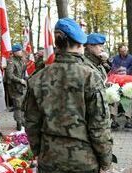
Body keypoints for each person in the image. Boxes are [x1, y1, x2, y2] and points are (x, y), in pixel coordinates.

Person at [24, 18, 113, 173]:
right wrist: (106, 160)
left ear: (58, 44)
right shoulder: (90, 76)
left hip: (49, 158)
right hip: (83, 161)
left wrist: (37, 151)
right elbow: (99, 126)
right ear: (80, 44)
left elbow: (31, 123)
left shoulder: (38, 77)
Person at [6, 44, 27, 131]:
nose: (21, 52)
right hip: (15, 88)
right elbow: (9, 75)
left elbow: (23, 72)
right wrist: (20, 80)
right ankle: (19, 125)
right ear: (15, 52)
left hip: (22, 87)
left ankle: (22, 122)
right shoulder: (11, 61)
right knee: (18, 106)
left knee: (23, 106)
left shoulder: (20, 60)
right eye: (20, 50)